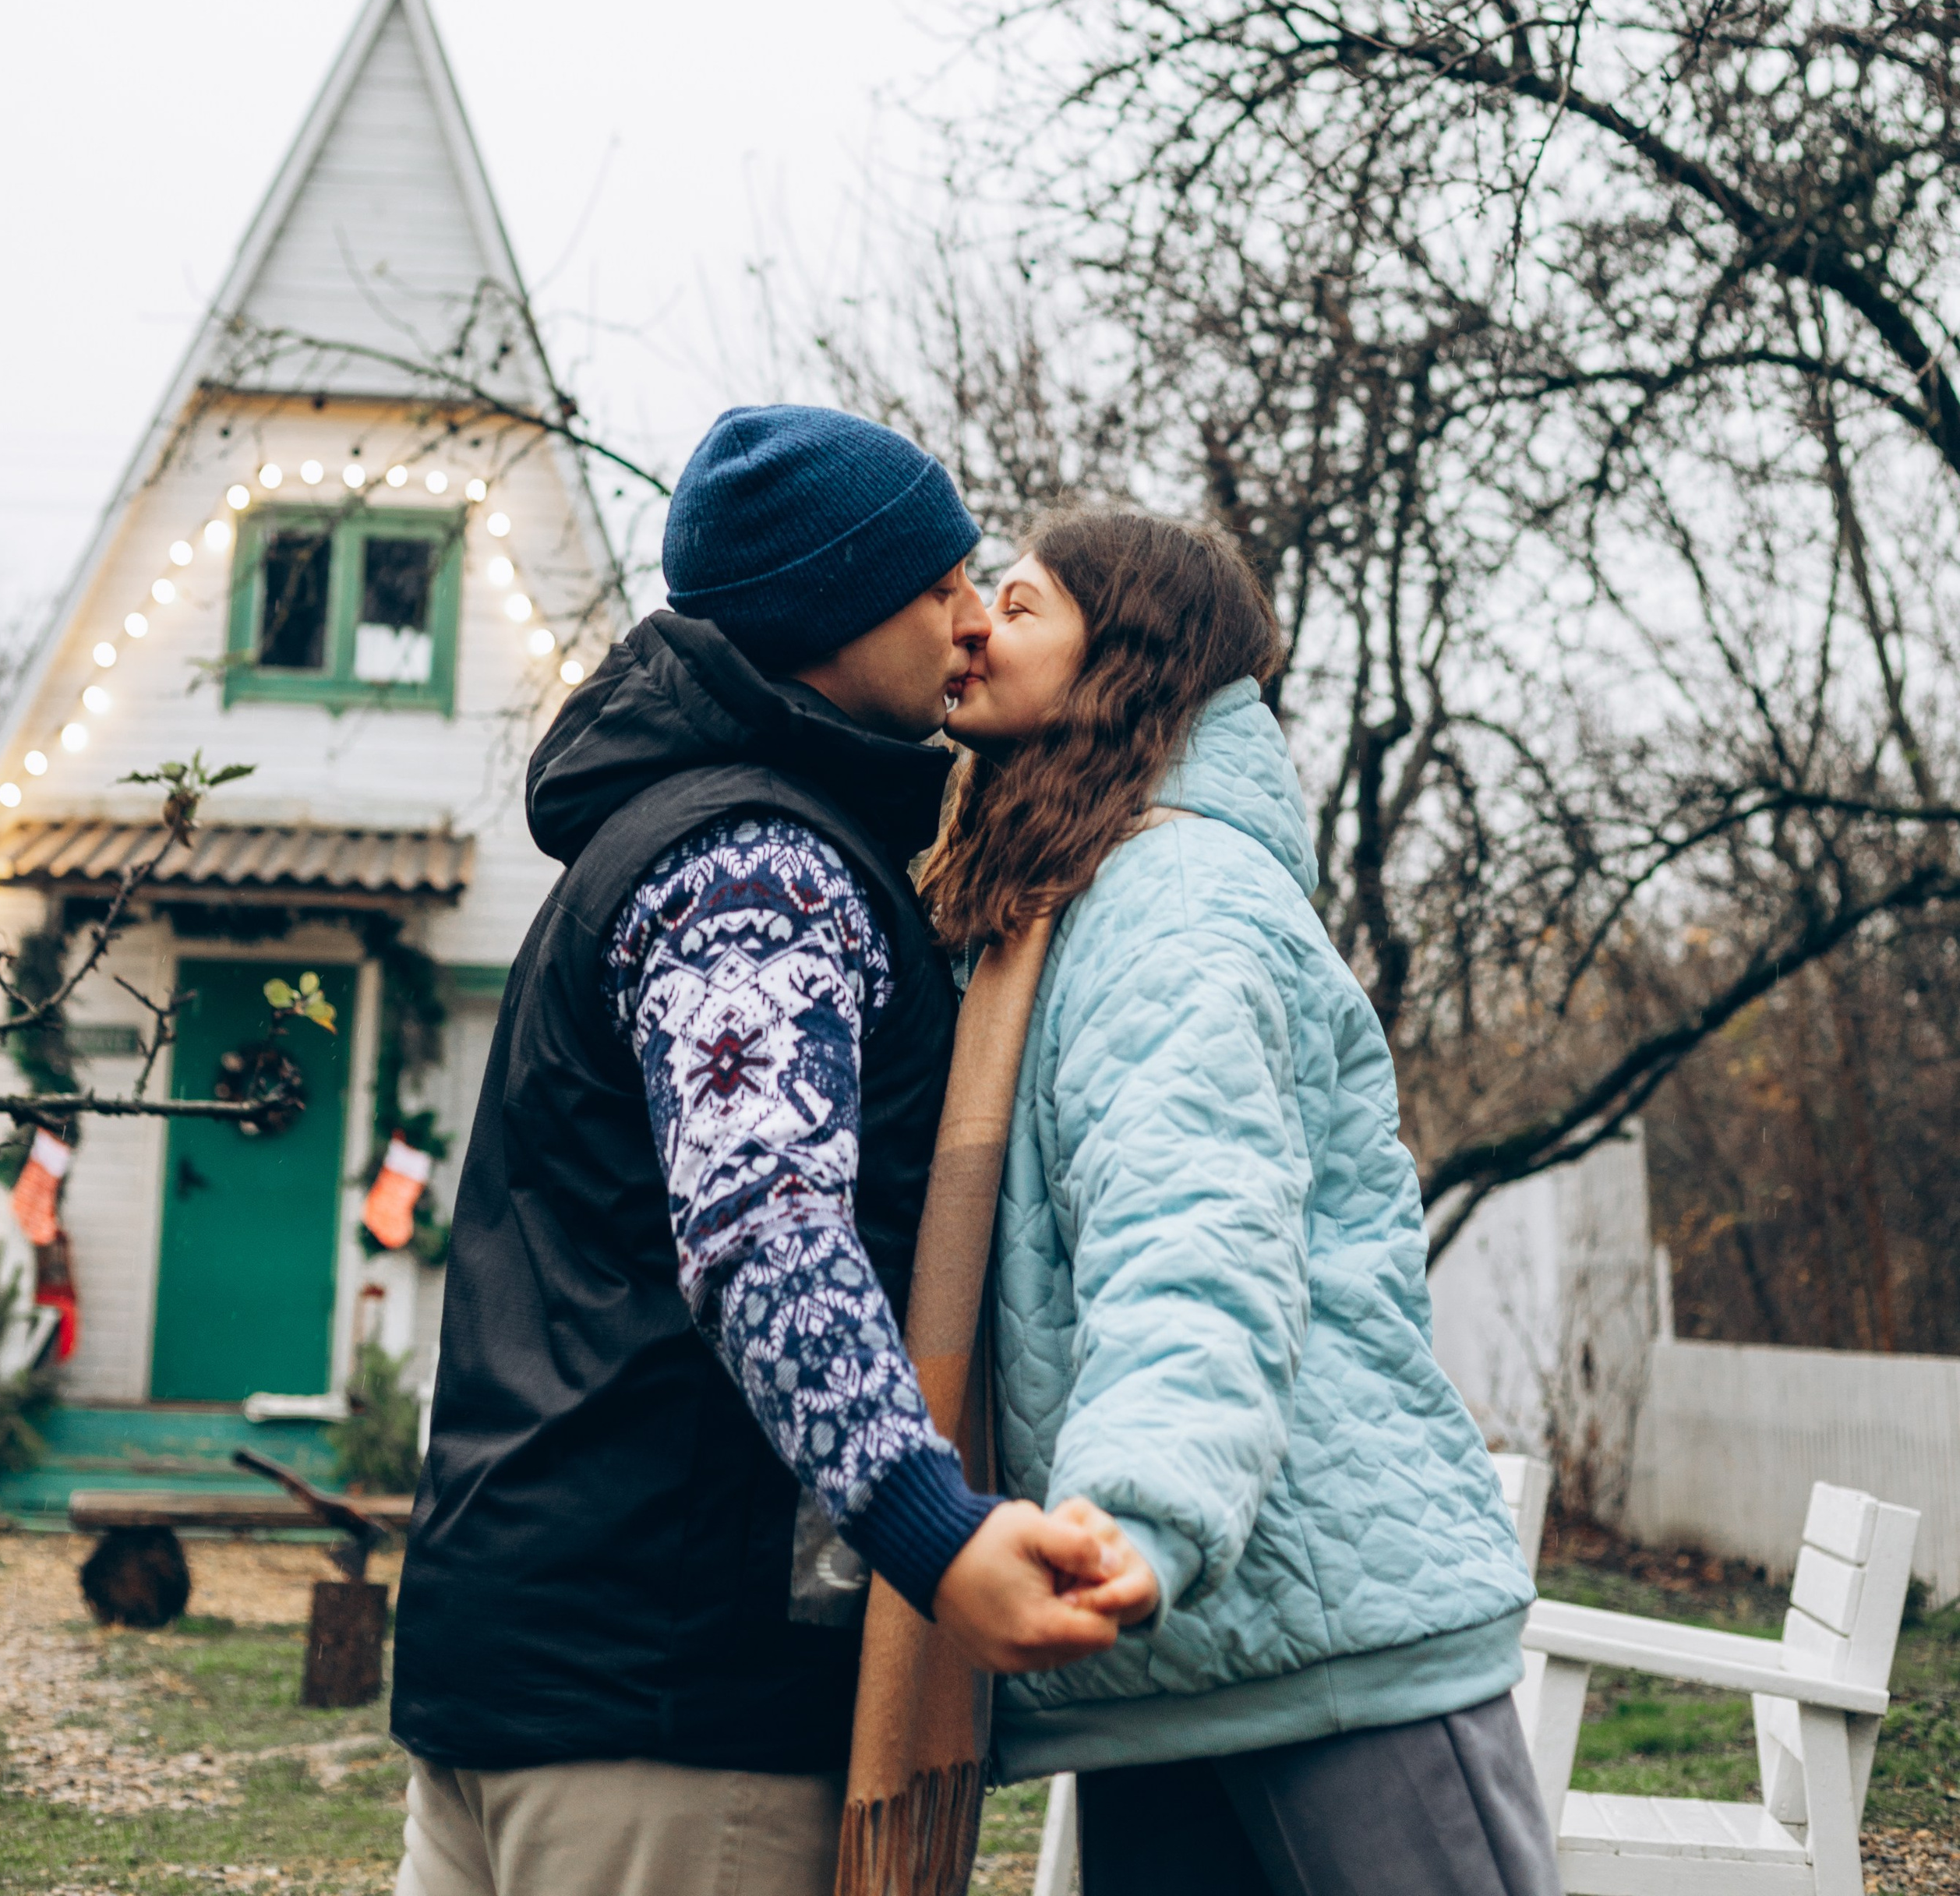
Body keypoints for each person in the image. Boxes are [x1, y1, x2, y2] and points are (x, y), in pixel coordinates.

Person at [389, 407, 1139, 1896]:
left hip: (530, 1656)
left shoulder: (686, 832)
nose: (969, 613)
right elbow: (763, 1232)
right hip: (668, 1703)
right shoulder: (757, 869)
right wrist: (936, 1532)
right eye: (937, 581)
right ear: (828, 610)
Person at [929, 507, 1562, 1896]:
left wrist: (1132, 1519)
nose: (975, 623)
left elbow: (1194, 1237)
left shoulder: (1174, 903)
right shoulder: (1072, 900)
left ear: (1126, 666)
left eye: (1022, 606)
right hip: (1185, 1650)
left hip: (1318, 1646)